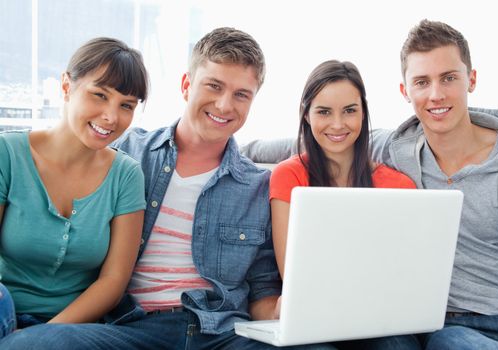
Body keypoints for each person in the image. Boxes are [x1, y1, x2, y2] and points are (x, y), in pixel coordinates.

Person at [0, 27, 336, 350]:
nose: (223, 105)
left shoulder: (258, 185)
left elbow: (262, 287)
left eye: (241, 95)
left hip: (223, 332)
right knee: (35, 344)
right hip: (135, 329)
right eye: (214, 86)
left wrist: (285, 312)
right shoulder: (126, 152)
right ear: (187, 85)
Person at [364, 19, 498, 349]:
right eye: (422, 82)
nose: (436, 95)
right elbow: (323, 138)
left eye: (449, 78)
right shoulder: (397, 148)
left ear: (472, 79)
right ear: (405, 91)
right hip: (421, 321)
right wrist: (232, 143)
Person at [0, 37, 148, 337]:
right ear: (67, 86)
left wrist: (40, 338)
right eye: (99, 95)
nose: (111, 117)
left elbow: (113, 282)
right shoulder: (7, 154)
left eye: (126, 105)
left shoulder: (127, 175)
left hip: (74, 331)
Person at [270, 60, 415, 277]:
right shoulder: (288, 176)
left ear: (363, 113)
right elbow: (291, 274)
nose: (337, 124)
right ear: (306, 114)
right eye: (324, 112)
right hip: (313, 303)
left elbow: (403, 268)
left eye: (349, 110)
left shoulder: (399, 186)